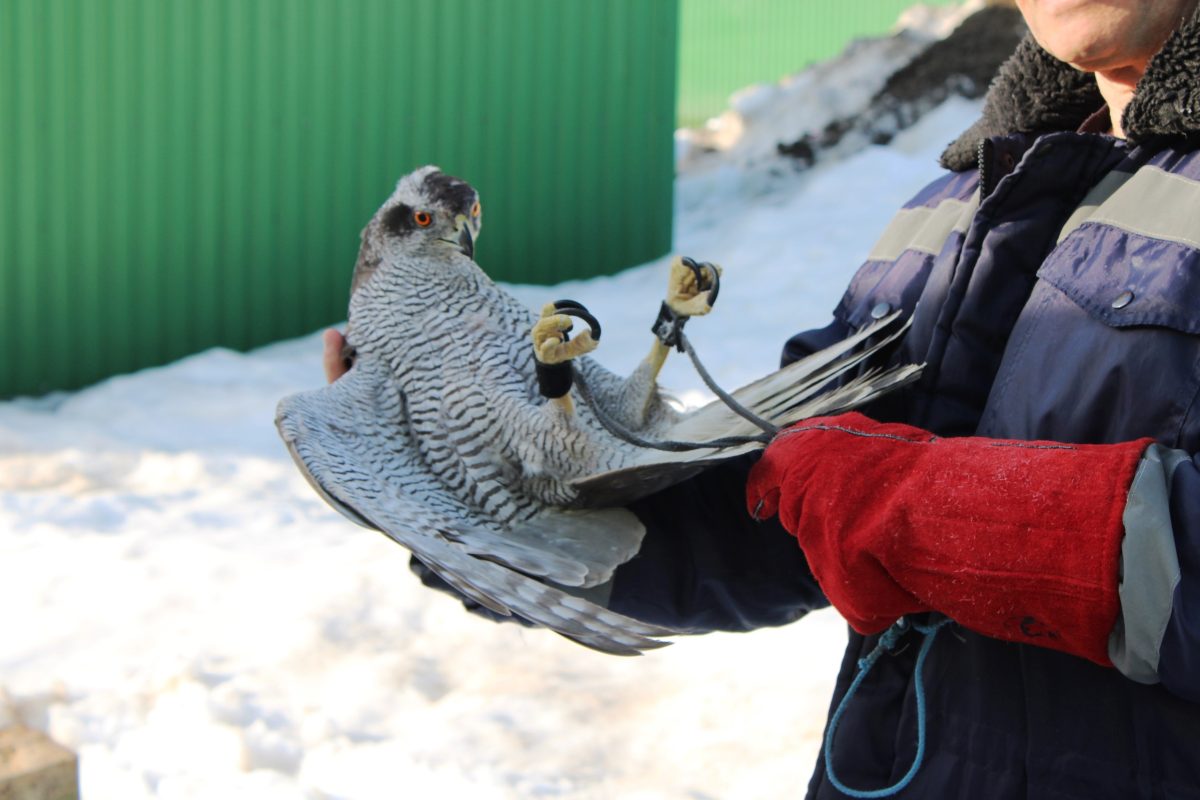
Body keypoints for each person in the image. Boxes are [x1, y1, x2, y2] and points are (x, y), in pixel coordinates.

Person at [324, 1, 1200, 796]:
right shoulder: (956, 206)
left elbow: (879, 499)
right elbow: (767, 511)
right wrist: (474, 511)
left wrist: (953, 517)